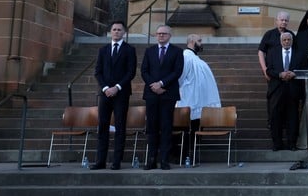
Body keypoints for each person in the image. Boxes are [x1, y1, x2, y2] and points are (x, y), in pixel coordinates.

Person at [92, 21, 137, 170]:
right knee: (103, 127)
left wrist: (117, 87)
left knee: (120, 127)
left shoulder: (129, 50)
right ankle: (100, 161)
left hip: (121, 93)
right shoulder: (103, 50)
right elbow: (98, 72)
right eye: (114, 29)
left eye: (119, 30)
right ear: (110, 32)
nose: (116, 32)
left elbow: (130, 72)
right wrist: (105, 88)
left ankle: (116, 161)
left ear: (124, 32)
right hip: (105, 94)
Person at [140, 25, 184, 170]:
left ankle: (164, 159)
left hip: (168, 93)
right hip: (151, 94)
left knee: (166, 126)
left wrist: (161, 83)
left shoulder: (177, 51)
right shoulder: (149, 51)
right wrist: (154, 85)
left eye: (164, 34)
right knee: (152, 127)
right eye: (158, 34)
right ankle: (151, 159)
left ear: (170, 35)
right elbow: (144, 71)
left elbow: (177, 71)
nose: (161, 36)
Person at [176, 34, 221, 149]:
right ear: (191, 41)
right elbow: (180, 77)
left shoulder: (196, 58)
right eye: (199, 41)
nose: (201, 43)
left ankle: (193, 153)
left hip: (198, 100)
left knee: (196, 126)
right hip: (189, 99)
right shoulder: (186, 56)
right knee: (188, 128)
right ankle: (186, 154)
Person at [265, 32, 303, 151]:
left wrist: (294, 73)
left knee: (292, 117)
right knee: (275, 117)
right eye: (284, 40)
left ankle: (292, 143)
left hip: (293, 89)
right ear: (281, 41)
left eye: (288, 40)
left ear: (292, 41)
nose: (286, 42)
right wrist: (280, 74)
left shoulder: (299, 53)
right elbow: (269, 70)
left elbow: (303, 68)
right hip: (277, 89)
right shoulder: (272, 53)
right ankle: (277, 144)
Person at [257, 11, 293, 80]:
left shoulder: (291, 35)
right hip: (272, 71)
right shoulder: (269, 34)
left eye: (286, 20)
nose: (284, 22)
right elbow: (261, 52)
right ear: (277, 21)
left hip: (287, 71)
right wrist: (265, 70)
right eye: (282, 20)